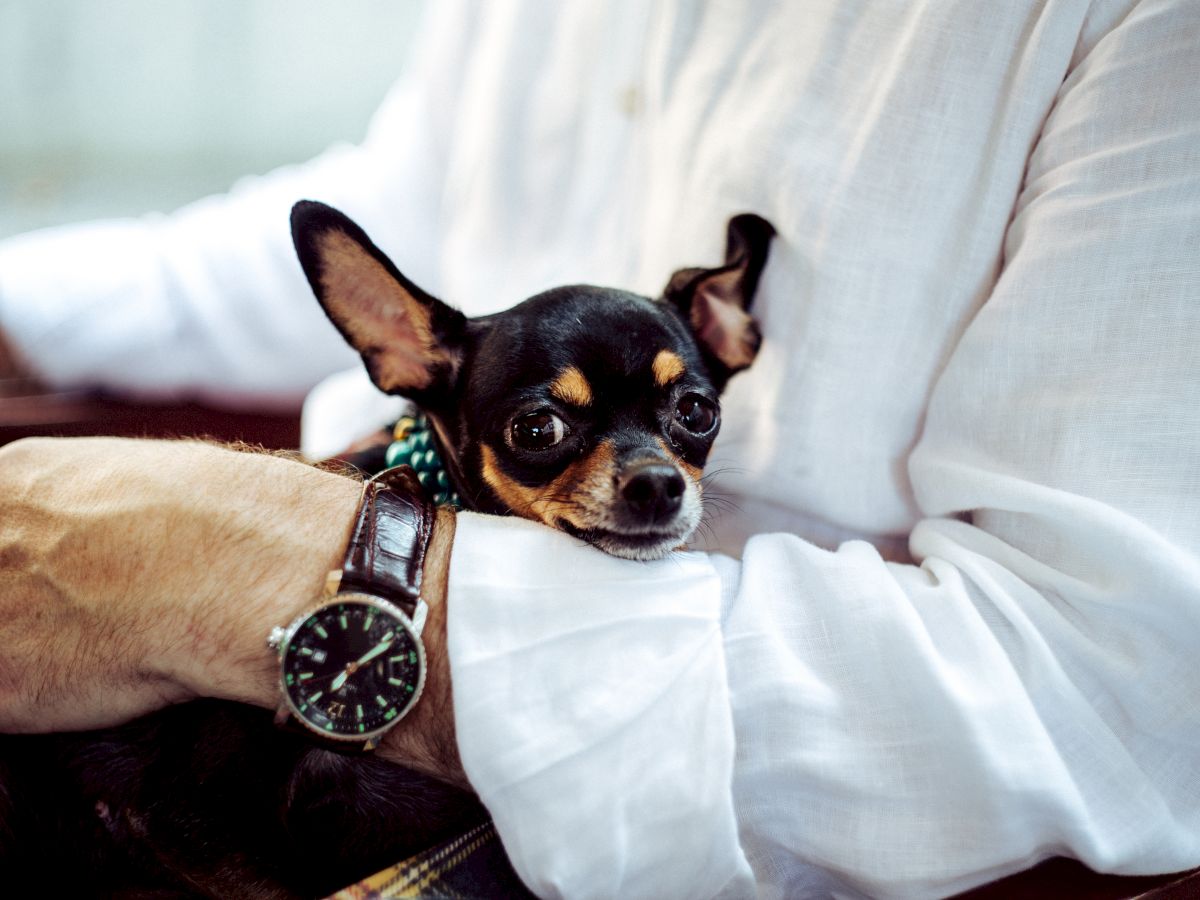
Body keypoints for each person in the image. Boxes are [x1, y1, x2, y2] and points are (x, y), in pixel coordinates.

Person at [2, 1, 1199, 896]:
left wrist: (230, 567)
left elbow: (1124, 689)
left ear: (728, 337)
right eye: (544, 431)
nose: (653, 471)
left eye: (684, 422)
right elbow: (428, 192)